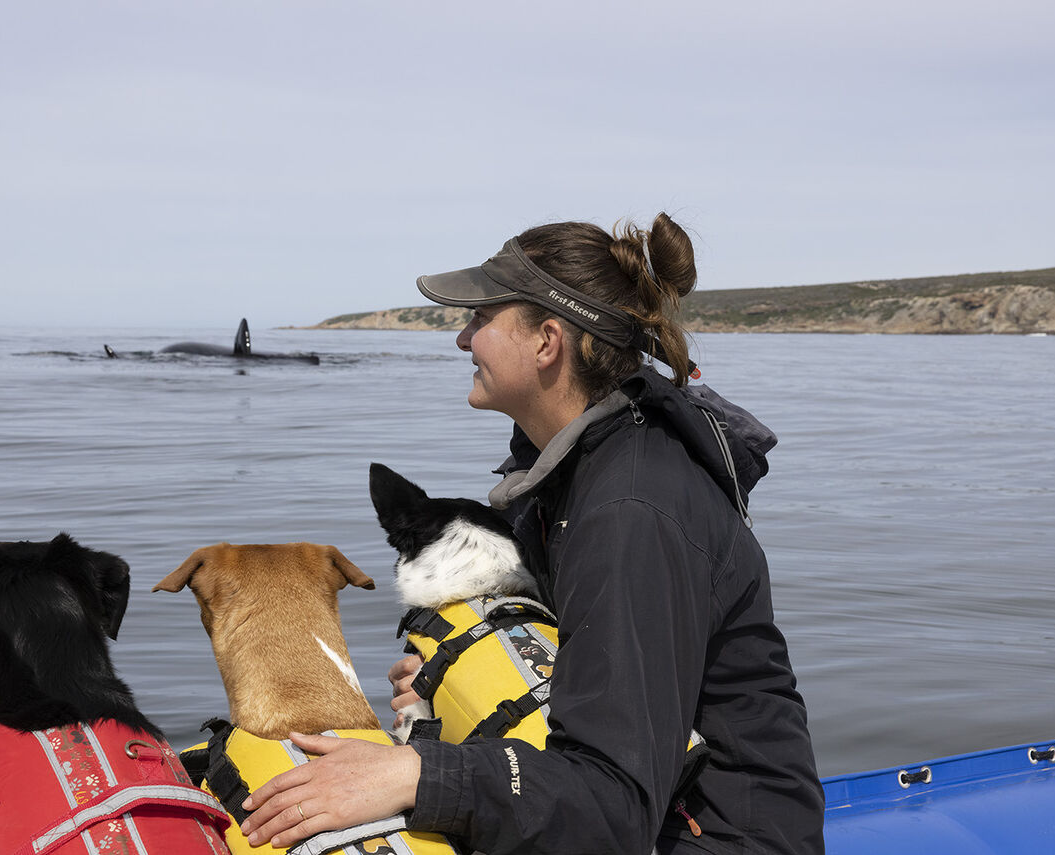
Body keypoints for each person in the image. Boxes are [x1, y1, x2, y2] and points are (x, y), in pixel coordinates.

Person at [239, 215, 825, 854]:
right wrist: (455, 682)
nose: (463, 339)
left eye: (480, 319)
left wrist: (415, 772)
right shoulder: (576, 471)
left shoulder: (629, 511)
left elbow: (615, 805)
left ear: (547, 342)